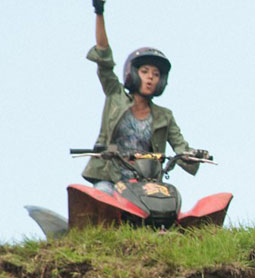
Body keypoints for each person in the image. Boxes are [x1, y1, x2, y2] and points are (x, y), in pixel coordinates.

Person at [82, 0, 205, 193]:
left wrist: (191, 156)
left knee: (168, 204)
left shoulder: (165, 116)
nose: (150, 78)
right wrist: (99, 12)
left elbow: (180, 147)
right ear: (133, 73)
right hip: (112, 179)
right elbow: (104, 58)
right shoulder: (116, 95)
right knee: (102, 194)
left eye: (156, 74)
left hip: (147, 184)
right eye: (145, 71)